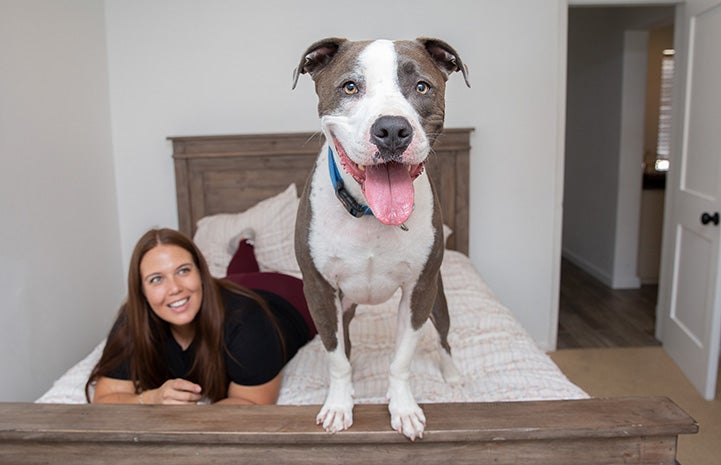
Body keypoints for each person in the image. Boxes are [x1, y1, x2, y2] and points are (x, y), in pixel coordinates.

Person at [86, 228, 315, 405]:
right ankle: (244, 246)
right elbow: (105, 399)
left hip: (285, 296)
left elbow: (252, 404)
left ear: (201, 273)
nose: (174, 288)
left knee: (254, 282)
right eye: (156, 279)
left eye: (183, 270)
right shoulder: (133, 318)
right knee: (236, 277)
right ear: (141, 292)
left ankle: (247, 245)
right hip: (225, 291)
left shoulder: (248, 322)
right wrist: (151, 400)